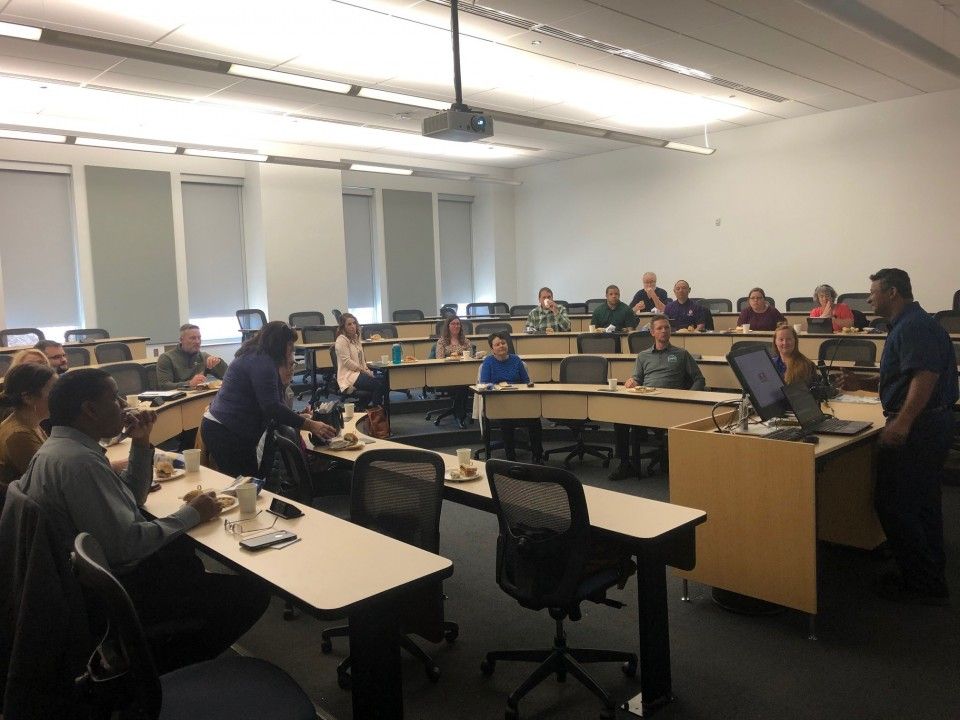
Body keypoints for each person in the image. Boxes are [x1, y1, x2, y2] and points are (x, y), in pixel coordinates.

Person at [14, 368, 269, 671]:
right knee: (252, 594)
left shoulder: (63, 449)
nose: (125, 405)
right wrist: (191, 514)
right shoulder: (79, 463)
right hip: (117, 592)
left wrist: (140, 442)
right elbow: (125, 546)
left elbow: (131, 498)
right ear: (90, 410)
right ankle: (169, 671)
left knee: (183, 553)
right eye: (115, 398)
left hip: (89, 584)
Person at [841, 269, 957, 605]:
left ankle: (920, 583)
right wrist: (862, 384)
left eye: (873, 292)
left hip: (920, 427)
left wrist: (903, 422)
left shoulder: (914, 326)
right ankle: (929, 574)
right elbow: (905, 376)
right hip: (928, 423)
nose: (869, 299)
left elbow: (925, 375)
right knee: (922, 502)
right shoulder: (909, 324)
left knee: (895, 503)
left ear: (892, 293)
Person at [203, 321, 337, 477]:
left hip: (226, 426)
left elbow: (274, 402)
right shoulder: (262, 362)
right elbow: (272, 407)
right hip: (226, 430)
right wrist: (310, 425)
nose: (292, 349)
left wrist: (298, 417)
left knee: (250, 481)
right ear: (279, 344)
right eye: (290, 345)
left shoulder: (255, 355)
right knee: (245, 484)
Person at [609, 315, 705, 480]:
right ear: (652, 332)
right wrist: (632, 382)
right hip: (646, 401)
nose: (664, 331)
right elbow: (637, 379)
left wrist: (689, 397)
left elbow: (699, 379)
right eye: (659, 328)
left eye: (667, 328)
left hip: (671, 405)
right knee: (620, 417)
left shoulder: (681, 354)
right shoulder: (643, 356)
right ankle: (625, 465)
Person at [479, 332, 543, 462]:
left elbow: (526, 382)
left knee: (535, 418)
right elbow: (484, 384)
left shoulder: (516, 360)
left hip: (519, 402)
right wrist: (496, 387)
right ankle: (510, 458)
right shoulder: (488, 362)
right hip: (499, 403)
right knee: (506, 420)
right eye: (497, 344)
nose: (501, 346)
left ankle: (538, 455)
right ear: (492, 349)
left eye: (503, 343)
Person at [0, 363, 57, 485]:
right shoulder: (18, 435)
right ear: (28, 398)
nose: (60, 397)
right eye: (53, 392)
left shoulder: (29, 422)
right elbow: (47, 481)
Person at [334, 313, 387, 407]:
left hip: (359, 373)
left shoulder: (356, 338)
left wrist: (367, 370)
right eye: (349, 324)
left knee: (384, 381)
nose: (353, 326)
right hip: (349, 376)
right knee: (378, 385)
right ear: (343, 327)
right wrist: (364, 371)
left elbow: (361, 360)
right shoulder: (341, 340)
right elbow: (347, 362)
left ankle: (363, 408)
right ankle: (376, 412)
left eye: (354, 323)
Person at [156, 323, 228, 390]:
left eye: (199, 338)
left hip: (198, 396)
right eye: (193, 338)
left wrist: (218, 362)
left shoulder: (203, 356)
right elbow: (164, 386)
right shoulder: (167, 358)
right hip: (178, 398)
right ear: (181, 340)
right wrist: (189, 384)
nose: (197, 342)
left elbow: (228, 376)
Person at [434, 315, 471, 427]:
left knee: (464, 383)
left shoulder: (465, 341)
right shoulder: (442, 341)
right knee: (462, 386)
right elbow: (439, 358)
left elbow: (470, 357)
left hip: (464, 373)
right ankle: (461, 414)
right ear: (448, 326)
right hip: (446, 375)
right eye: (453, 324)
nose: (456, 326)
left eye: (458, 324)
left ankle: (460, 411)